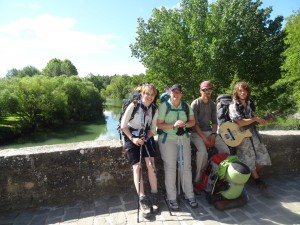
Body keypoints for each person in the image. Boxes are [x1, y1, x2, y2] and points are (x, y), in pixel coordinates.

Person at [157, 84, 198, 211]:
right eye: (173, 92)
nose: (176, 94)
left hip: (183, 139)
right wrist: (174, 125)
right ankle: (171, 197)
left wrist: (184, 124)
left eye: (178, 92)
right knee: (170, 168)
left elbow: (192, 122)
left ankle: (189, 194)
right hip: (167, 140)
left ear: (181, 94)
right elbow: (159, 125)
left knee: (186, 166)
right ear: (170, 93)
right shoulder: (164, 106)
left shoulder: (185, 106)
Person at [121, 83, 159, 217]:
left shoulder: (154, 109)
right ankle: (142, 198)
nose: (149, 97)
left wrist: (147, 137)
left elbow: (153, 129)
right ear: (142, 94)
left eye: (152, 94)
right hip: (130, 136)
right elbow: (123, 126)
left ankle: (154, 194)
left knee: (151, 165)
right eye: (147, 94)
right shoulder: (134, 106)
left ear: (154, 96)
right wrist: (133, 139)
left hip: (145, 136)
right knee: (137, 167)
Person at [228, 81, 272, 191]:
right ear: (236, 92)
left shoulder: (250, 103)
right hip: (241, 135)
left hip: (252, 133)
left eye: (245, 90)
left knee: (263, 158)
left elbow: (253, 121)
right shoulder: (233, 105)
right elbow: (239, 122)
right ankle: (257, 181)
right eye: (240, 90)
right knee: (248, 159)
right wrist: (255, 119)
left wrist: (265, 120)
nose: (243, 92)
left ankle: (252, 177)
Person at [191, 81, 230, 189]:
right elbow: (194, 124)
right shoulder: (195, 104)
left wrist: (213, 136)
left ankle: (217, 175)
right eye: (204, 90)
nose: (207, 92)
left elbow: (215, 122)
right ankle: (198, 180)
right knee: (203, 153)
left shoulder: (213, 104)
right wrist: (205, 140)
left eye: (209, 89)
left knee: (225, 151)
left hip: (210, 132)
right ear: (200, 91)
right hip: (196, 133)